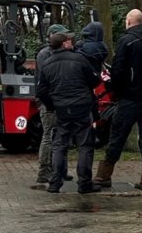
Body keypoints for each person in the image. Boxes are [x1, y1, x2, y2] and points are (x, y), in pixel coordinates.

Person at [94, 9, 142, 192]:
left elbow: (119, 70)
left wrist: (117, 91)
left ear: (128, 21)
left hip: (129, 97)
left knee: (118, 134)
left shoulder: (126, 41)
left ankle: (103, 176)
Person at [37, 32, 102, 194]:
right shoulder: (79, 60)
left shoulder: (47, 64)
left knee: (59, 145)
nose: (72, 42)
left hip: (61, 109)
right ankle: (84, 183)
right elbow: (95, 80)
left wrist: (52, 105)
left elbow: (41, 91)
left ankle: (55, 182)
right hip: (81, 107)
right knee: (85, 145)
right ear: (64, 44)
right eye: (69, 40)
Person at [34, 24, 73, 187]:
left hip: (58, 99)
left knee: (60, 135)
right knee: (49, 135)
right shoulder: (44, 55)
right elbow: (49, 78)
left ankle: (60, 169)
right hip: (48, 100)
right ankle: (44, 171)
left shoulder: (60, 54)